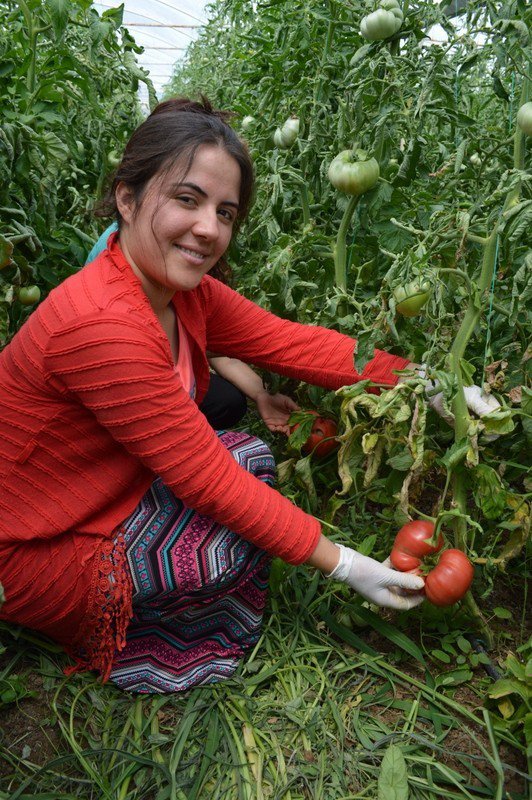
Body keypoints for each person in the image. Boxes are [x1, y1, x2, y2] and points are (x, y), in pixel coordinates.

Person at [0, 98, 495, 694]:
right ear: (127, 199)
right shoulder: (103, 322)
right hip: (26, 546)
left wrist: (432, 383)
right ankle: (122, 632)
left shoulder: (183, 293)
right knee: (226, 538)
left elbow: (299, 346)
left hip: (95, 491)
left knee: (249, 458)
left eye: (225, 212)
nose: (209, 229)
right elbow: (206, 480)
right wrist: (347, 564)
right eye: (187, 200)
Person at [87, 225, 299, 433]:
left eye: (223, 213)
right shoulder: (118, 253)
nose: (208, 228)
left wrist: (261, 394)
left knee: (228, 402)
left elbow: (213, 346)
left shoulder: (188, 262)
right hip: (114, 390)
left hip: (166, 382)